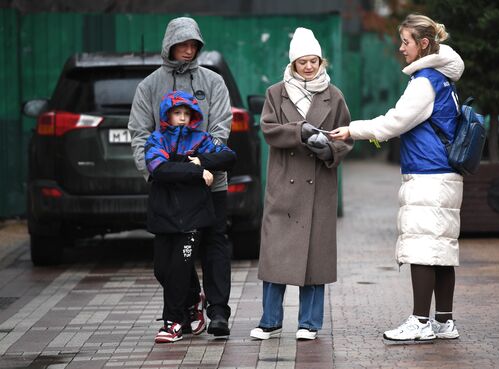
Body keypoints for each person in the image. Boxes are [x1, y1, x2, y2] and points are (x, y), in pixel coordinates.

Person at [331, 14, 465, 341]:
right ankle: (443, 322)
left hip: (428, 174)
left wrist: (352, 129)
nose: (401, 48)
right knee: (441, 250)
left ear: (423, 44)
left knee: (422, 248)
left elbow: (393, 123)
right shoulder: (444, 80)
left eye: (405, 42)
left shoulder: (425, 83)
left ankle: (420, 322)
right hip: (445, 174)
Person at [128, 17, 234, 337]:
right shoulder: (149, 86)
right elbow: (138, 133)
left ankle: (217, 311)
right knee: (171, 257)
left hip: (209, 183)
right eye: (182, 44)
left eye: (194, 45)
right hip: (168, 189)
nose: (188, 51)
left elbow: (219, 131)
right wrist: (155, 171)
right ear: (169, 45)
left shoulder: (213, 82)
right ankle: (190, 300)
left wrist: (203, 165)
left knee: (214, 243)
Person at [249, 27, 354, 341]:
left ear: (321, 61)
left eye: (313, 61)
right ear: (293, 64)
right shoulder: (275, 93)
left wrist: (330, 149)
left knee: (315, 259)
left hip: (318, 185)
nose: (308, 67)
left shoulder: (333, 95)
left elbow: (346, 135)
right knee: (275, 256)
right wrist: (300, 131)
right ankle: (270, 321)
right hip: (284, 185)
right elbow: (268, 129)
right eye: (302, 62)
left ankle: (309, 323)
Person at [145, 90, 236, 343]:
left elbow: (228, 156)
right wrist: (196, 172)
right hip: (164, 215)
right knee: (162, 270)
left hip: (194, 217)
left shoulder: (202, 138)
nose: (182, 118)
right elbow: (159, 168)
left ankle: (172, 323)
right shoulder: (156, 140)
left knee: (179, 269)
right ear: (167, 116)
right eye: (177, 113)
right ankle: (194, 297)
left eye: (187, 113)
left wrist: (201, 161)